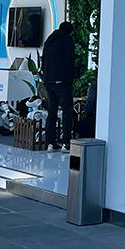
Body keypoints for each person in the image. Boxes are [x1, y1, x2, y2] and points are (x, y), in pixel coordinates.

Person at [41, 22, 76, 152]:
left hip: (49, 81)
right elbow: (70, 61)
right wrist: (70, 78)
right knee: (67, 111)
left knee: (52, 111)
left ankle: (51, 143)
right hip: (62, 81)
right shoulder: (67, 40)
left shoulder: (49, 40)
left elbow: (43, 61)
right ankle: (66, 143)